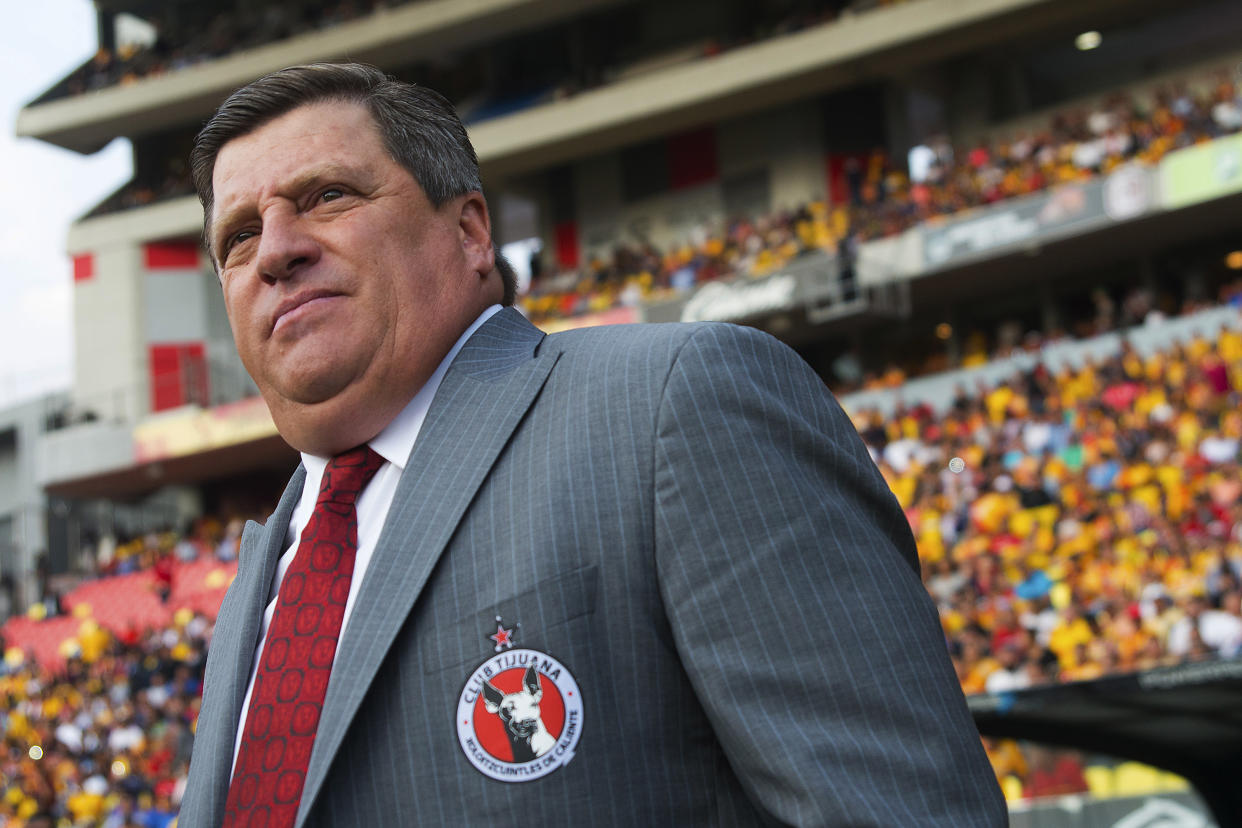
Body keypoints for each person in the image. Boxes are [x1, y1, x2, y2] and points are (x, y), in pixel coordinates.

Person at [178, 63, 1005, 827]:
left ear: (469, 232)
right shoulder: (265, 573)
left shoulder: (674, 404)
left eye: (326, 196)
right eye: (238, 237)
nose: (276, 251)